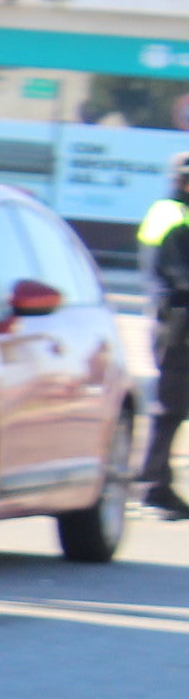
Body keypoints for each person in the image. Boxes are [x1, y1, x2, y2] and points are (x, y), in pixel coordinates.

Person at [140, 154, 189, 519]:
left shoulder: (173, 212)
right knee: (169, 408)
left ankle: (157, 481)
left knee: (172, 408)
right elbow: (181, 277)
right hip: (178, 325)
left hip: (176, 321)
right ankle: (153, 485)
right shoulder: (173, 216)